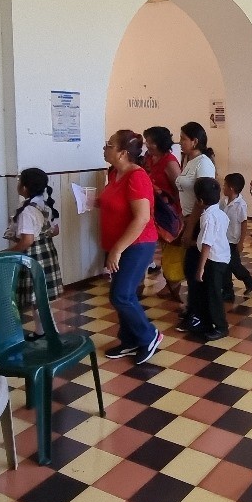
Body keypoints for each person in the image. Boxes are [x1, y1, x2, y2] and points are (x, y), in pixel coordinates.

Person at [99, 131, 164, 364]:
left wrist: (117, 250)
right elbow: (115, 202)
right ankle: (129, 339)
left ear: (123, 153)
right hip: (118, 243)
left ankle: (149, 335)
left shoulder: (137, 177)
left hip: (137, 244)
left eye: (109, 145)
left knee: (122, 295)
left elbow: (141, 218)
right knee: (120, 293)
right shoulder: (114, 173)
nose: (104, 149)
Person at [5, 167, 63, 340]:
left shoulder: (28, 211)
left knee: (38, 298)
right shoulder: (44, 204)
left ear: (24, 187)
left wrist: (8, 253)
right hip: (47, 253)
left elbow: (27, 241)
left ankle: (50, 332)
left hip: (34, 256)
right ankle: (41, 331)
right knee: (40, 297)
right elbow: (55, 231)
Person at [175, 122, 216, 331]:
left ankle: (198, 313)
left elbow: (203, 199)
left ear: (195, 141)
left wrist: (190, 227)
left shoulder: (203, 163)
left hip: (198, 221)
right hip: (188, 218)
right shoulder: (190, 161)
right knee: (189, 268)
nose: (180, 142)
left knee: (195, 269)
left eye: (183, 138)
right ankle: (193, 308)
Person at [143, 126, 184, 302]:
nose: (147, 144)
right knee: (164, 248)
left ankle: (174, 286)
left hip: (171, 213)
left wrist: (180, 214)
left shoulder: (169, 162)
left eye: (150, 141)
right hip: (156, 212)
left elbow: (179, 190)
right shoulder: (150, 159)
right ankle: (171, 284)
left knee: (172, 249)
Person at [192, 177, 231, 341]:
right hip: (221, 257)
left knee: (213, 294)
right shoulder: (221, 213)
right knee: (209, 292)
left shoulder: (208, 217)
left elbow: (207, 244)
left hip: (213, 260)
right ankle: (207, 322)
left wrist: (200, 268)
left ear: (200, 200)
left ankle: (221, 327)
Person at [222, 173, 252, 300]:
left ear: (231, 188)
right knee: (225, 265)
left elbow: (244, 223)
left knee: (234, 265)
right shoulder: (224, 201)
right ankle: (228, 290)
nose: (223, 187)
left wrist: (241, 242)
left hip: (233, 240)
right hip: (224, 239)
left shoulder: (240, 204)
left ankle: (249, 281)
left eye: (225, 185)